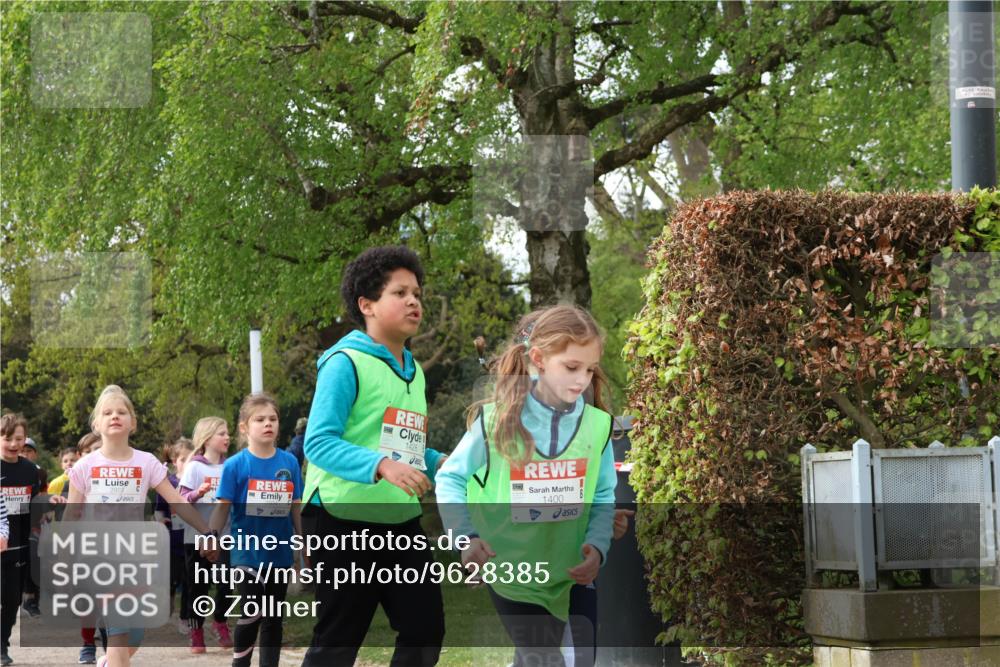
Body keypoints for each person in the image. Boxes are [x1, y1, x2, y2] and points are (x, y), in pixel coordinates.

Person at [436, 305, 618, 667]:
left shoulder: (598, 426)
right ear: (538, 359)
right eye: (571, 367)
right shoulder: (497, 422)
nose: (582, 379)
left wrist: (597, 548)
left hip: (574, 574)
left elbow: (602, 494)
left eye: (589, 369)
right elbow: (449, 478)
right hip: (513, 574)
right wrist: (466, 539)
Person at [301, 245, 447, 667]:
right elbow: (319, 443)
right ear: (367, 305)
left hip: (401, 520)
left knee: (425, 633)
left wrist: (440, 462)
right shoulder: (343, 363)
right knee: (338, 643)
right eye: (400, 293)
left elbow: (406, 450)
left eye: (417, 293)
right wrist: (381, 466)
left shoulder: (414, 370)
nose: (414, 301)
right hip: (342, 518)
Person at [63, 385, 217, 667]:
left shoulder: (145, 462)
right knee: (120, 633)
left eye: (122, 412)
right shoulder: (85, 466)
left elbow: (178, 502)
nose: (114, 416)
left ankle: (108, 662)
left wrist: (207, 531)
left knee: (134, 635)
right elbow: (71, 517)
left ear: (132, 422)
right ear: (96, 424)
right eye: (107, 413)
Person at [209, 393, 302, 667]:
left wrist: (304, 541)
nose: (267, 424)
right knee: (251, 613)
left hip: (281, 554)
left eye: (272, 418)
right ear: (244, 427)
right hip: (246, 554)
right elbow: (223, 508)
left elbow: (295, 506)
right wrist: (210, 537)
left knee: (273, 618)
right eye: (259, 419)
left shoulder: (290, 463)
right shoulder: (235, 465)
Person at [0, 414, 61, 666]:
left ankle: (2, 645)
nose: (14, 444)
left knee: (12, 598)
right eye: (7, 438)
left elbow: (36, 504)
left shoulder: (30, 471)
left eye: (19, 439)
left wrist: (50, 502)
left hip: (20, 543)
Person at [178, 418, 233, 652]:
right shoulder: (195, 467)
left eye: (228, 433)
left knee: (226, 584)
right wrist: (197, 494)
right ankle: (196, 629)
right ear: (208, 438)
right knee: (198, 587)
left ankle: (220, 621)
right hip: (197, 537)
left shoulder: (231, 465)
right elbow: (181, 498)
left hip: (226, 536)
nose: (227, 437)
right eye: (222, 433)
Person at [153, 439, 195, 639]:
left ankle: (185, 617)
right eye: (183, 459)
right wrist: (162, 522)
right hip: (171, 540)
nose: (188, 463)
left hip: (190, 540)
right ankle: (166, 604)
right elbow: (159, 511)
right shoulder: (168, 483)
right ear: (174, 461)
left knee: (189, 581)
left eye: (192, 459)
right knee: (170, 580)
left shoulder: (198, 481)